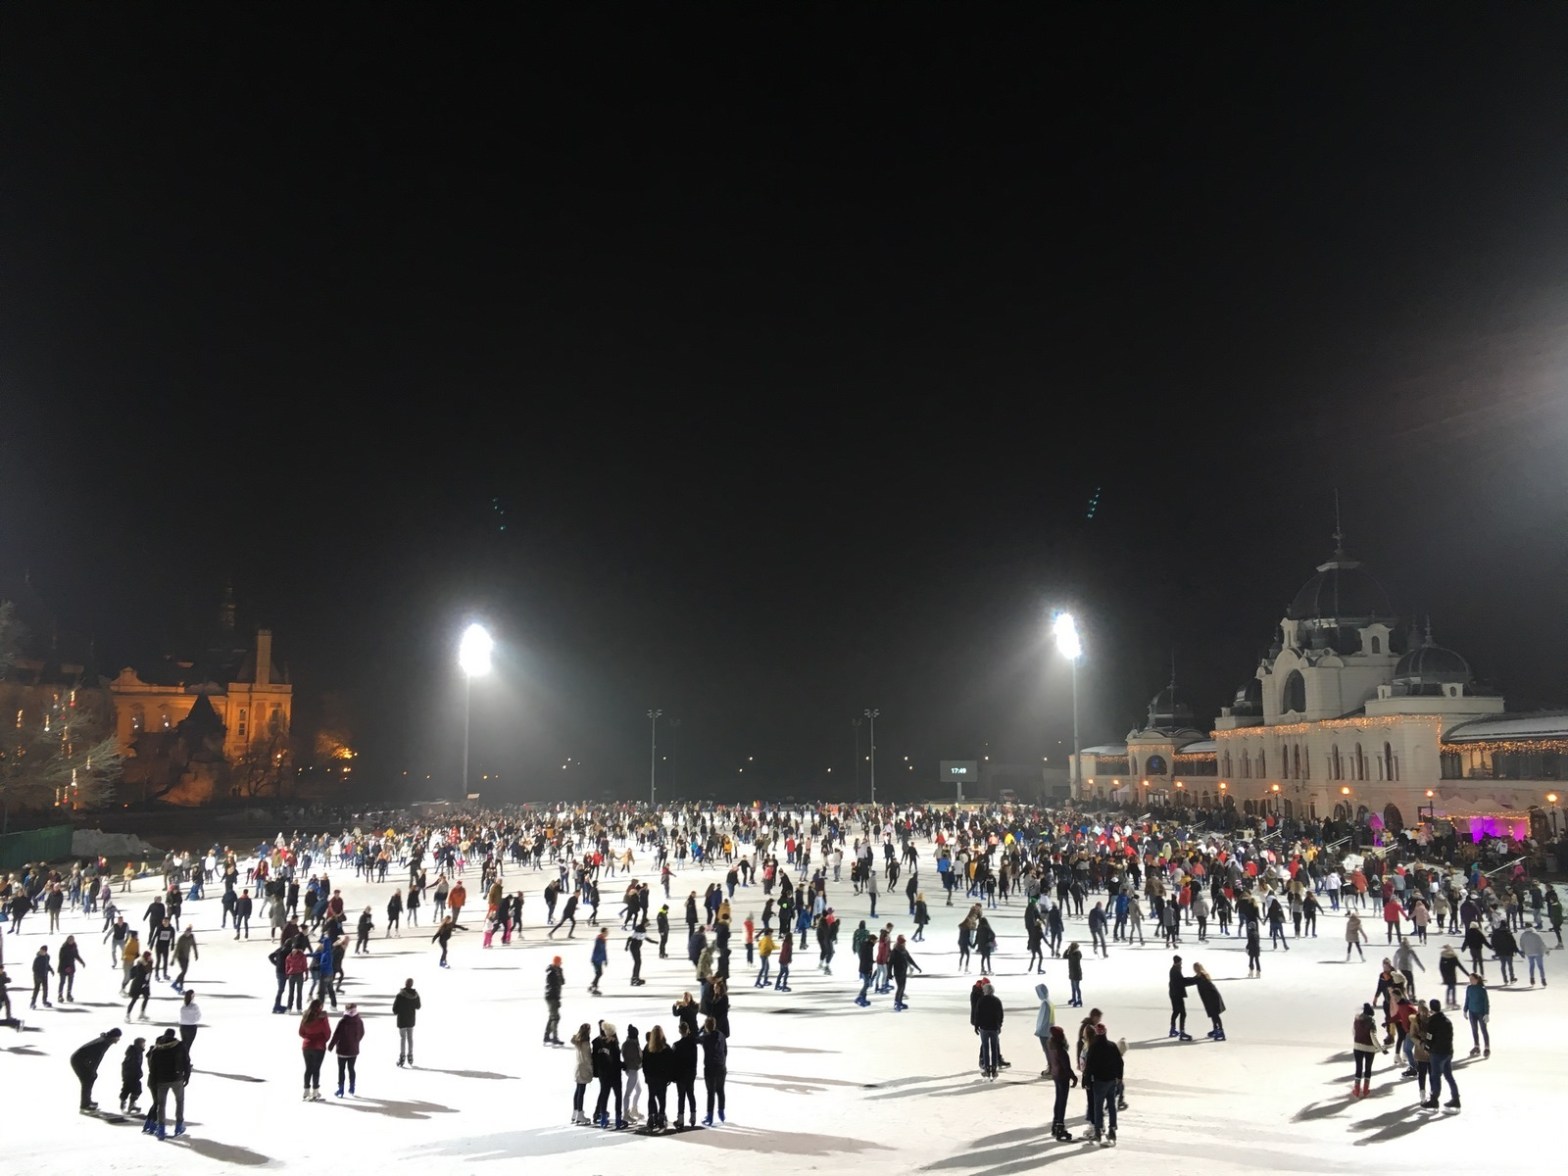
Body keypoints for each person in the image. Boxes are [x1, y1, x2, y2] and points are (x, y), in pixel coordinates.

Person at [143, 1027, 190, 1138]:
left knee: (161, 1105)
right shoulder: (179, 1046)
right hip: (177, 1078)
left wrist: (153, 1080)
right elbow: (186, 1061)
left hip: (161, 1080)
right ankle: (179, 1126)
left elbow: (152, 1067)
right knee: (179, 1101)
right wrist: (187, 1076)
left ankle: (161, 1129)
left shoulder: (156, 1048)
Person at [1082, 1024, 1124, 1147]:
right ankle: (1112, 1130)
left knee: (1098, 1107)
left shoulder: (1094, 1047)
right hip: (1111, 1081)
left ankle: (1098, 1132)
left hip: (1099, 1081)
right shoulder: (1112, 1046)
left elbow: (1089, 1066)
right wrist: (1119, 1077)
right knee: (1111, 1106)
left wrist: (1087, 1081)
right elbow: (1120, 1062)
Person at [70, 1026, 123, 1112]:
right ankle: (85, 1105)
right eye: (118, 1037)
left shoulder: (105, 1040)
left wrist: (93, 1072)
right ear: (113, 1037)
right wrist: (93, 1071)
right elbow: (96, 1059)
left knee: (89, 1080)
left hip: (81, 1059)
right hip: (78, 1060)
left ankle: (87, 1101)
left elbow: (95, 1058)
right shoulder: (103, 1043)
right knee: (87, 1080)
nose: (119, 1039)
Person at [1421, 998, 1460, 1111]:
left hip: (1437, 1053)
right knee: (1449, 1076)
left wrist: (1427, 1048)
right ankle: (1456, 1098)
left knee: (1435, 1076)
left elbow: (1429, 1037)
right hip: (1448, 1052)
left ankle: (1434, 1100)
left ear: (1431, 1009)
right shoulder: (1447, 1021)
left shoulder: (1432, 1022)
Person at [1351, 1001, 1386, 1098]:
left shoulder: (1357, 1020)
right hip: (1369, 1048)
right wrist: (1381, 1049)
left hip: (1357, 1046)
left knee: (1358, 1067)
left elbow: (1354, 1032)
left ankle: (1356, 1089)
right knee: (1368, 1068)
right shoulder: (1371, 1022)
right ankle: (1366, 1089)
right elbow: (1373, 1037)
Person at [328, 1002, 364, 1096]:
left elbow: (336, 1035)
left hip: (342, 1050)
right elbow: (362, 1033)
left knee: (341, 1069)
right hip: (353, 1050)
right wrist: (356, 1041)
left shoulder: (343, 1021)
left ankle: (341, 1089)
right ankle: (352, 1087)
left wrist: (331, 1046)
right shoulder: (359, 1021)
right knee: (351, 1068)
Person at [299, 998, 331, 1101]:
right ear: (320, 1007)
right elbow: (327, 1032)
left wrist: (308, 1037)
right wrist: (322, 1040)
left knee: (308, 1068)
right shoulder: (322, 1017)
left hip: (307, 1046)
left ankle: (306, 1090)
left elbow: (301, 1032)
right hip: (319, 1046)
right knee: (316, 1069)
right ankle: (315, 1091)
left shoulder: (306, 1015)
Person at [973, 976, 1005, 1079]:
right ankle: (994, 1069)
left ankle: (987, 1069)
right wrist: (999, 1025)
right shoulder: (996, 1000)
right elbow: (1001, 1014)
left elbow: (977, 1014)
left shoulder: (981, 1000)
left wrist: (976, 1026)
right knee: (994, 1048)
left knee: (986, 1048)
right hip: (994, 1027)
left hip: (984, 1028)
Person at [698, 1014, 728, 1125]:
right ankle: (721, 1112)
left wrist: (701, 1029)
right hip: (721, 1067)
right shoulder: (721, 1035)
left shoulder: (705, 1038)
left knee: (710, 1092)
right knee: (720, 1090)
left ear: (706, 1026)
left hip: (710, 1068)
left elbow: (695, 1038)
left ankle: (710, 1116)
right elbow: (725, 1051)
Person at [642, 1024, 671, 1132]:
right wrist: (669, 1076)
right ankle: (661, 1117)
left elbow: (644, 1063)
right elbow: (670, 1064)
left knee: (651, 1097)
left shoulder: (648, 1048)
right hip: (662, 1078)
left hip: (651, 1077)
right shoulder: (666, 1048)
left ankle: (651, 1116)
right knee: (662, 1098)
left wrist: (646, 1075)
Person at [673, 1018, 700, 1129]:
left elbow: (674, 1061)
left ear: (680, 1031)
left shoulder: (677, 1045)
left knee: (681, 1097)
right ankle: (693, 1117)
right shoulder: (693, 1044)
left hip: (681, 1075)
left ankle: (680, 1119)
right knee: (691, 1094)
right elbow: (695, 1060)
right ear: (688, 1030)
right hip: (690, 1073)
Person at [1192, 962, 1226, 1040]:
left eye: (1196, 967)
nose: (1195, 969)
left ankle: (1221, 1032)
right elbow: (1191, 980)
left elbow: (1205, 986)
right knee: (1212, 1014)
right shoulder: (1198, 976)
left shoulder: (1202, 975)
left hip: (1212, 997)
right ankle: (1215, 1029)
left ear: (1199, 967)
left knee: (1215, 1015)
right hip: (1208, 998)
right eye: (1194, 968)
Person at [393, 977, 421, 1067]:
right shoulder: (415, 995)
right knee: (410, 1038)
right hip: (411, 1019)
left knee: (403, 1038)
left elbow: (395, 1010)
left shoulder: (400, 995)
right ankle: (410, 1055)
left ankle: (402, 1057)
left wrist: (400, 1010)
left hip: (402, 1020)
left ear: (405, 984)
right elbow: (418, 1006)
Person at [1462, 972, 1490, 1058]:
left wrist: (1486, 1013)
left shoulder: (1482, 989)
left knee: (1483, 1029)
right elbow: (1467, 999)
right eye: (1470, 979)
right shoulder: (1469, 988)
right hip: (1472, 1012)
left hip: (1481, 1012)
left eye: (1472, 979)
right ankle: (1476, 1046)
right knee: (1474, 1029)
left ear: (1477, 979)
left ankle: (1487, 1047)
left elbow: (1486, 1002)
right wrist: (1465, 1010)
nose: (1470, 980)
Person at [569, 1023, 593, 1125]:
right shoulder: (585, 1043)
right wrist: (591, 1069)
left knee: (578, 1090)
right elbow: (587, 1058)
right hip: (584, 1068)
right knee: (581, 1091)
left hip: (578, 1067)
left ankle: (575, 1112)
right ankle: (580, 1113)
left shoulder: (578, 1041)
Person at [1168, 954, 1195, 1040]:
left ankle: (1172, 1029)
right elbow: (1182, 982)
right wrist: (1194, 980)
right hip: (1177, 995)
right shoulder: (1175, 971)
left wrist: (1192, 979)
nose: (1181, 964)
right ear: (1178, 962)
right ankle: (1182, 1032)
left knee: (1176, 1011)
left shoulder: (1174, 969)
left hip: (1173, 994)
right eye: (1180, 963)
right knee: (1183, 1013)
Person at [119, 1035, 147, 1116]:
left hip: (127, 1074)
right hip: (133, 1074)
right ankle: (131, 1105)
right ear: (139, 1044)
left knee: (126, 1088)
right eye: (143, 1043)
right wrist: (139, 1073)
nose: (144, 1045)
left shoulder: (132, 1051)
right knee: (137, 1089)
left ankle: (123, 1102)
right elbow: (135, 1064)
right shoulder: (136, 1052)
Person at [622, 1024, 643, 1123]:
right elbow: (637, 1058)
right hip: (632, 1070)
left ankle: (633, 1109)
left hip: (631, 1069)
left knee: (638, 1090)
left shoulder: (627, 1044)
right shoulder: (632, 1045)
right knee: (628, 1093)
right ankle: (626, 1113)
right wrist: (641, 1062)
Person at [544, 956, 565, 1044]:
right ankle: (554, 1037)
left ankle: (547, 1036)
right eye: (559, 962)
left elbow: (563, 982)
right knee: (555, 1017)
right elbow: (554, 985)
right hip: (551, 997)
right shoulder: (551, 972)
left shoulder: (557, 971)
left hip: (554, 996)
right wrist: (556, 999)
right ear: (556, 962)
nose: (561, 964)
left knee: (552, 1017)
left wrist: (560, 972)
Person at [172, 925, 198, 991]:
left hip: (186, 957)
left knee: (184, 972)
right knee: (184, 971)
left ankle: (180, 986)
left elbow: (194, 945)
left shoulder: (191, 937)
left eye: (189, 932)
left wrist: (196, 954)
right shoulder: (181, 938)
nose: (187, 933)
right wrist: (173, 960)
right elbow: (177, 949)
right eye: (186, 932)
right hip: (180, 957)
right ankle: (175, 983)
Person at [178, 989, 201, 1063]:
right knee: (188, 1045)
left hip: (183, 1026)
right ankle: (185, 1061)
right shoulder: (194, 1006)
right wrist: (193, 1020)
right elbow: (198, 1016)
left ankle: (184, 1060)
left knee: (184, 1044)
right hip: (191, 1026)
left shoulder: (183, 1006)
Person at [589, 927, 609, 994]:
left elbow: (604, 951)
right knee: (599, 973)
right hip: (596, 959)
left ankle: (593, 986)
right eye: (606, 932)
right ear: (603, 932)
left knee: (599, 973)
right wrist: (596, 959)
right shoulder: (599, 939)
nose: (607, 933)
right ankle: (593, 987)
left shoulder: (603, 939)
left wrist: (605, 960)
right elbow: (598, 950)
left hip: (599, 960)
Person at [1064, 941, 1084, 1006]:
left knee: (1077, 987)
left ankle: (1079, 1000)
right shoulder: (1071, 953)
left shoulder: (1077, 953)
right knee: (1073, 987)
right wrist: (1067, 950)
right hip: (1072, 973)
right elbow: (1064, 956)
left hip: (1077, 973)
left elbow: (1076, 959)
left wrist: (1072, 952)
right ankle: (1073, 998)